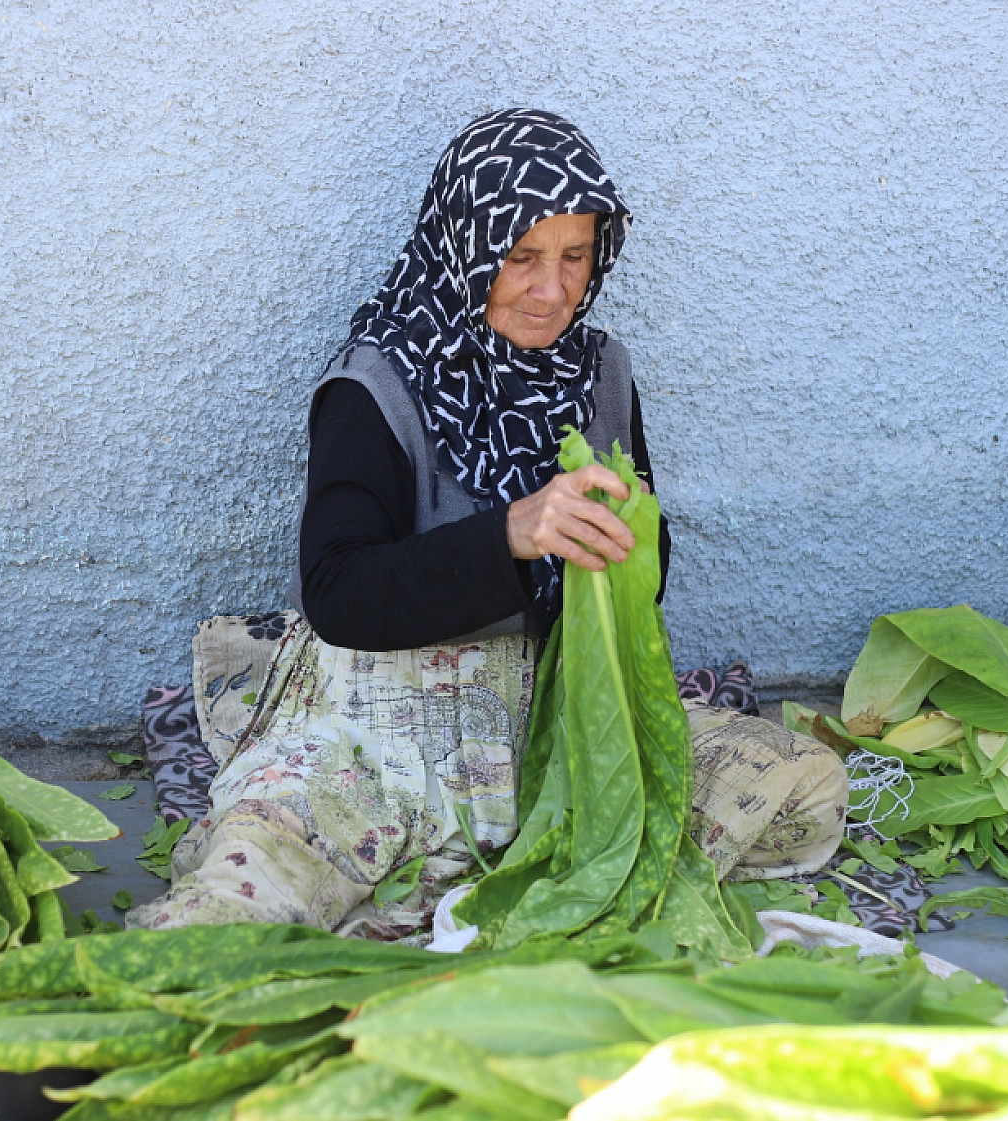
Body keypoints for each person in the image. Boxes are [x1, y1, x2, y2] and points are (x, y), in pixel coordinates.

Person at [129, 108, 846, 938]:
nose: (552, 290)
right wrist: (512, 534)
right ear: (465, 252)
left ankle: (496, 866)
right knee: (232, 909)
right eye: (521, 258)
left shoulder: (600, 372)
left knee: (807, 791)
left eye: (575, 256)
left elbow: (643, 584)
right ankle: (481, 873)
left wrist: (625, 543)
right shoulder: (378, 384)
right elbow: (338, 591)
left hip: (557, 730)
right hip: (377, 743)